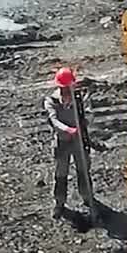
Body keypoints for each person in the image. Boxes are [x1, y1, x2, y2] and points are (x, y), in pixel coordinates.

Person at [44, 66, 81, 218]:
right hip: (62, 142)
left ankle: (88, 198)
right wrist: (67, 129)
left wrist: (84, 126)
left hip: (79, 142)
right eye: (64, 87)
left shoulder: (79, 98)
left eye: (69, 87)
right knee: (61, 174)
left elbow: (89, 114)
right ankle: (59, 204)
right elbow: (53, 120)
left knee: (83, 171)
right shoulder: (51, 101)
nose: (67, 90)